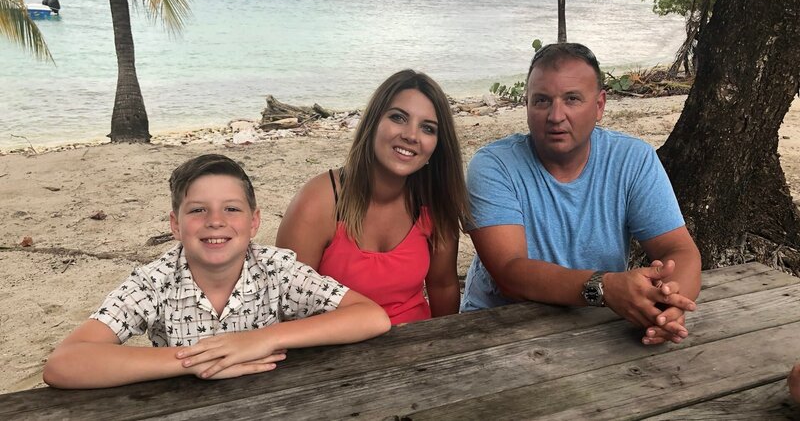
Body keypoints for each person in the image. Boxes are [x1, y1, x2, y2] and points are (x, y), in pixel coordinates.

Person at [43, 154, 390, 389]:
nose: (215, 221)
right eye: (197, 210)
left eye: (231, 208)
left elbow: (371, 317)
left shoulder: (276, 269)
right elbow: (64, 363)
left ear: (254, 222)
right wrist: (195, 361)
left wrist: (262, 338)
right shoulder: (153, 282)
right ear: (175, 225)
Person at [460, 43, 702, 346]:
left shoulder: (632, 159)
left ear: (599, 105)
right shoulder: (494, 165)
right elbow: (509, 273)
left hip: (599, 327)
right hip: (502, 327)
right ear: (527, 106)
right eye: (541, 101)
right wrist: (605, 287)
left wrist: (667, 306)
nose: (555, 115)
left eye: (572, 99)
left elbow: (679, 250)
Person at [276, 69, 470, 325]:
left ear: (437, 144)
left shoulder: (434, 202)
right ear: (373, 122)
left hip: (416, 346)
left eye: (427, 128)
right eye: (398, 117)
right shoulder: (320, 201)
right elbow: (286, 305)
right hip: (332, 353)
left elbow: (443, 285)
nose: (411, 135)